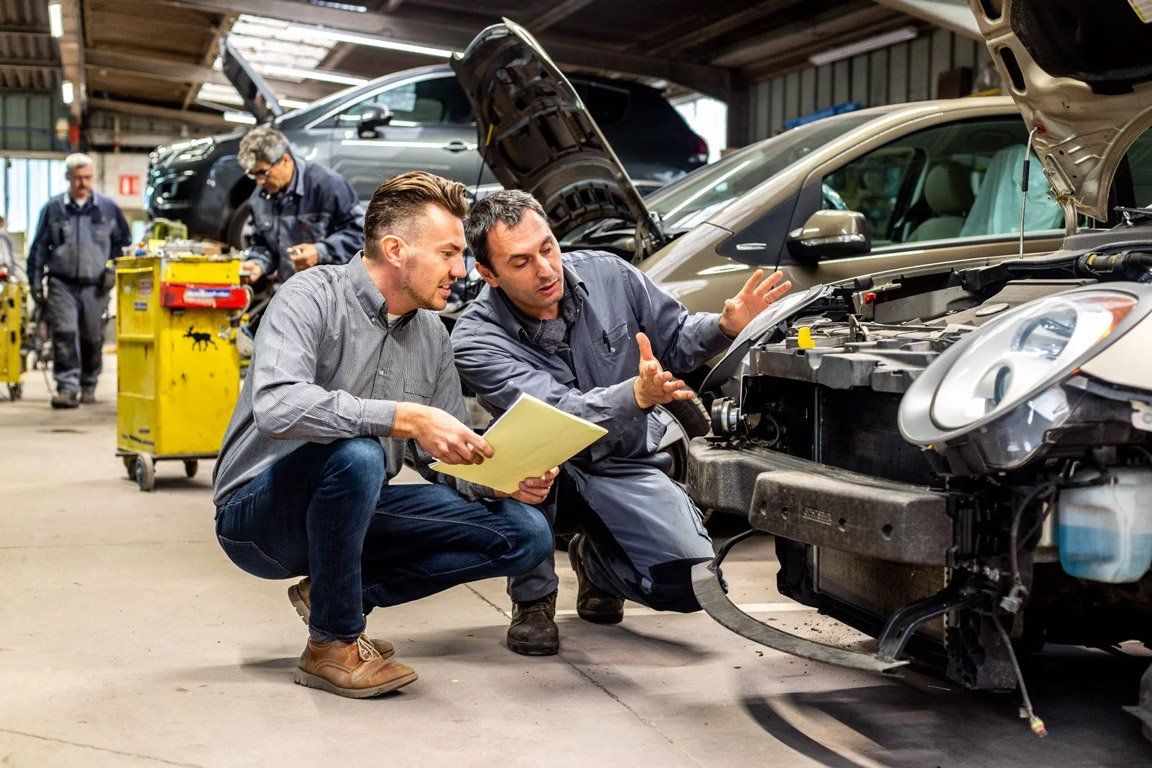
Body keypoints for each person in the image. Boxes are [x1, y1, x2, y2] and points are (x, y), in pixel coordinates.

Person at [212, 172, 556, 698]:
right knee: (358, 453)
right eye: (448, 253)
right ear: (397, 250)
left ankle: (332, 596)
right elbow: (277, 406)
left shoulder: (432, 338)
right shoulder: (310, 296)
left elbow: (442, 459)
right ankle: (333, 643)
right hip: (259, 519)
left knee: (525, 532)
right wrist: (406, 417)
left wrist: (499, 479)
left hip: (356, 506)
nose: (460, 271)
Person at [452, 190, 791, 656]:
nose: (546, 270)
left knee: (694, 587)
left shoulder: (609, 274)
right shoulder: (474, 339)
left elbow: (674, 338)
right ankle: (533, 600)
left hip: (624, 460)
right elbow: (558, 415)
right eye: (521, 261)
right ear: (488, 274)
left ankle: (596, 563)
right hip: (549, 469)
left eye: (548, 248)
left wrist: (725, 327)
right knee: (527, 469)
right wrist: (636, 395)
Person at [27, 153, 131, 408]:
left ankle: (88, 384)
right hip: (62, 283)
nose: (83, 183)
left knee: (92, 336)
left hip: (96, 285)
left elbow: (123, 245)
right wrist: (36, 284)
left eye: (87, 177)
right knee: (65, 333)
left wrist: (111, 271)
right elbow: (38, 248)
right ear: (68, 178)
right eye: (77, 178)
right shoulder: (54, 209)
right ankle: (67, 386)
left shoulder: (107, 208)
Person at [235, 125, 364, 286]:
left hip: (331, 292)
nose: (259, 181)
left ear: (285, 160)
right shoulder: (259, 198)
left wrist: (320, 251)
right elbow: (263, 245)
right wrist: (258, 264)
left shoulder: (328, 185)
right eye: (253, 174)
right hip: (288, 291)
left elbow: (361, 234)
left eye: (263, 173)